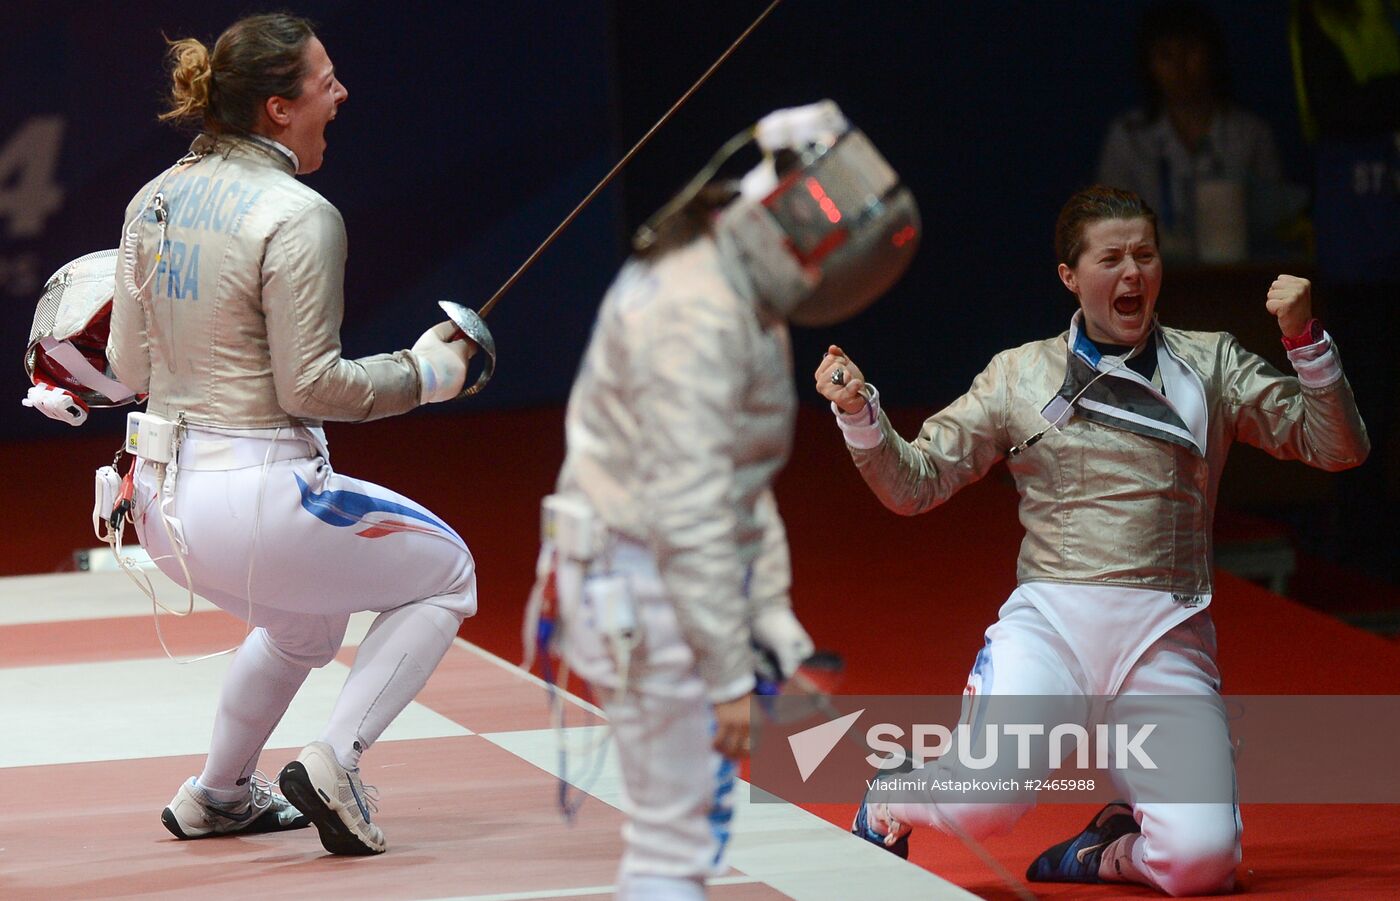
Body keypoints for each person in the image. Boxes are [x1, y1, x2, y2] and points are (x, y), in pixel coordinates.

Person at [823, 185, 1367, 896]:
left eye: (1145, 254)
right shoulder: (1020, 375)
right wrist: (861, 413)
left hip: (1165, 636)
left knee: (1201, 862)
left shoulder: (1212, 365)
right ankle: (889, 799)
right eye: (1111, 258)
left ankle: (1104, 851)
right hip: (1052, 629)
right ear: (1070, 277)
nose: (1133, 273)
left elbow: (1338, 448)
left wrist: (1305, 338)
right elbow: (914, 483)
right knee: (983, 804)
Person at [106, 13, 480, 856]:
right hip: (259, 498)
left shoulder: (150, 197)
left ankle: (218, 794)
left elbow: (129, 361)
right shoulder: (298, 212)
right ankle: (336, 763)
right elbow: (311, 385)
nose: (340, 94)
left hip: (158, 509)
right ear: (279, 108)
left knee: (305, 626)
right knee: (448, 573)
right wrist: (425, 373)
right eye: (325, 81)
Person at [530, 101, 919, 900]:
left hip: (664, 578)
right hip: (638, 581)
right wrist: (726, 673)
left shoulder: (733, 285)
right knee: (672, 845)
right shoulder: (695, 312)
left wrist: (771, 619)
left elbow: (740, 481)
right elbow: (690, 506)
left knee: (685, 837)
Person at [1097, 0, 1284, 261]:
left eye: (1190, 50)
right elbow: (1107, 226)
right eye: (1166, 55)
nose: (1180, 67)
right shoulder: (1128, 138)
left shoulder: (1250, 135)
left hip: (1236, 275)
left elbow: (1274, 223)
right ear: (1149, 64)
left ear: (1211, 55)